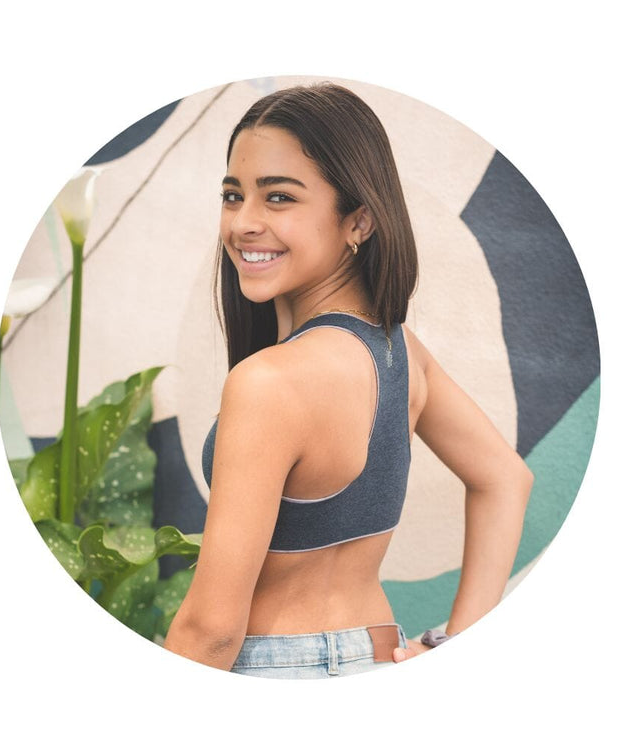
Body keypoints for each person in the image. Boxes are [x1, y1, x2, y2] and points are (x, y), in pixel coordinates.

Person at [164, 82, 533, 678]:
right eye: (233, 196)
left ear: (358, 220)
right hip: (377, 654)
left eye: (278, 197)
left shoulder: (269, 384)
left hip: (273, 667)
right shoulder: (400, 354)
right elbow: (506, 478)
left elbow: (211, 629)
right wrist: (456, 644)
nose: (243, 222)